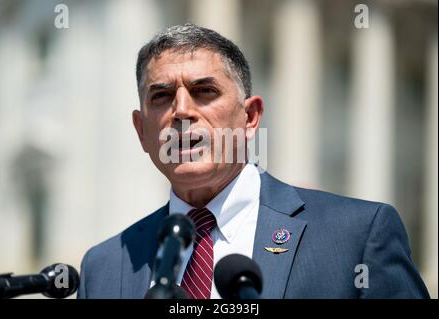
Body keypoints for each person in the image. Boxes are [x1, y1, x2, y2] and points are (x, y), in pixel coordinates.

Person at [77, 23, 429, 299]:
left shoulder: (357, 236)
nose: (181, 111)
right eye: (162, 96)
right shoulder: (105, 267)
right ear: (142, 131)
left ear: (250, 118)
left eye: (204, 91)